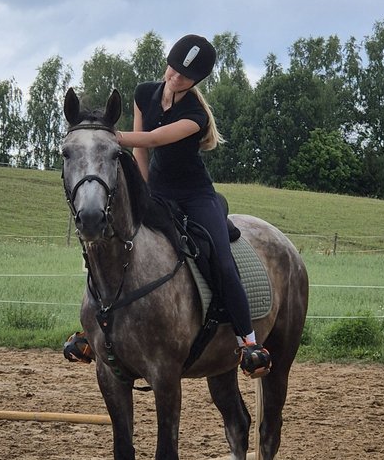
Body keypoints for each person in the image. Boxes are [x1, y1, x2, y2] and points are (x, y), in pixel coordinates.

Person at [115, 34, 271, 378]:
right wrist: (142, 192)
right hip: (157, 190)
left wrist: (112, 137)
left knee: (220, 257)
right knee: (117, 241)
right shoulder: (144, 93)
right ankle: (95, 328)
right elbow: (142, 153)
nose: (174, 77)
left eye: (184, 76)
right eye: (173, 68)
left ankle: (248, 342)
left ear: (195, 81)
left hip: (195, 195)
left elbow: (153, 140)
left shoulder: (195, 114)